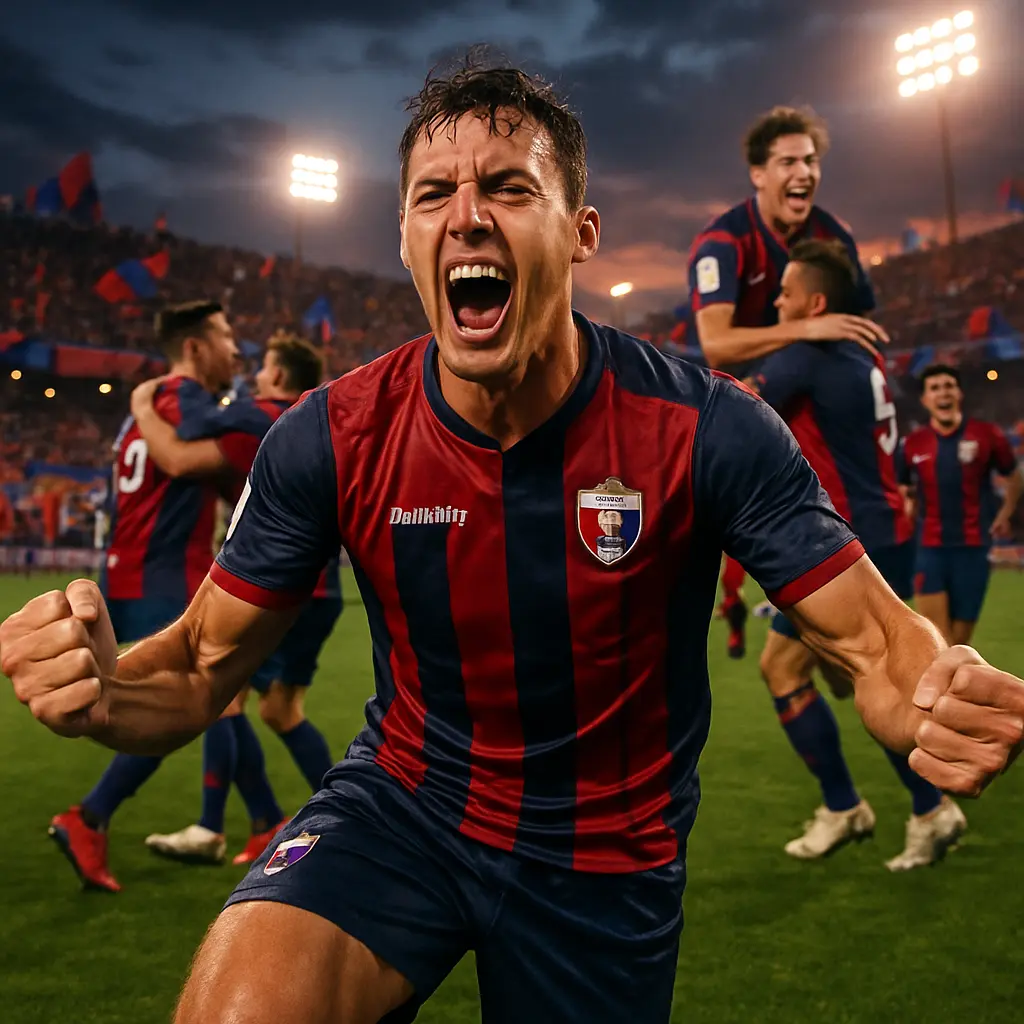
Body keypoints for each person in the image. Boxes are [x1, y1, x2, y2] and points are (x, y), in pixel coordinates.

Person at [3, 59, 1022, 1024]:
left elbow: (875, 642)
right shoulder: (331, 434)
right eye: (433, 195)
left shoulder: (706, 427)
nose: (467, 215)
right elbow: (197, 664)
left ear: (580, 233)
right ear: (405, 238)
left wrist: (928, 693)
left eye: (507, 187)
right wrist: (105, 689)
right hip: (403, 805)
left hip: (605, 854)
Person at [750, 240, 966, 870]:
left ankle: (863, 807)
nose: (778, 303)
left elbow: (733, 408)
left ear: (816, 305)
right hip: (884, 529)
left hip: (844, 541)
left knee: (787, 671)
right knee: (859, 678)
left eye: (787, 294)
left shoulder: (803, 357)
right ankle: (922, 808)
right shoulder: (863, 354)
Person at [46, 299, 239, 893]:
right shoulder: (185, 400)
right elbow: (209, 450)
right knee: (198, 702)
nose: (235, 350)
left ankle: (257, 822)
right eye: (225, 336)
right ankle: (91, 817)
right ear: (196, 347)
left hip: (125, 573)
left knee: (220, 702)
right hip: (168, 574)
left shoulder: (142, 413)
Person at [131, 336, 342, 865]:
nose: (257, 377)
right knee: (281, 710)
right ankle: (341, 820)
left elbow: (186, 437)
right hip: (323, 588)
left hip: (280, 584)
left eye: (265, 368)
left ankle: (211, 826)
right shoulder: (320, 419)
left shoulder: (262, 414)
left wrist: (143, 405)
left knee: (223, 697)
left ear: (281, 378)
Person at [688, 105, 888, 658]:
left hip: (812, 412)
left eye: (811, 160)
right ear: (758, 174)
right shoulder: (723, 241)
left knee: (816, 660)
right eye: (788, 162)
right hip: (744, 413)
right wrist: (806, 327)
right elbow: (716, 343)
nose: (803, 172)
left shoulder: (835, 234)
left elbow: (859, 329)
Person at [901, 364, 1023, 645]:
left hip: (973, 549)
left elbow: (1013, 477)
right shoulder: (913, 444)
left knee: (958, 644)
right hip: (930, 549)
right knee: (936, 641)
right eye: (934, 388)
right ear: (925, 400)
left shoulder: (987, 434)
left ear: (959, 393)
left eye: (948, 386)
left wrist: (1005, 513)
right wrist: (907, 514)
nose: (942, 393)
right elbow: (903, 487)